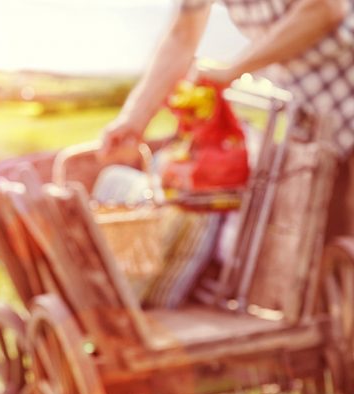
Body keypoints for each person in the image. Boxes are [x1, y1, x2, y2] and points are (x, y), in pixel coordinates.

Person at [102, 0, 353, 234]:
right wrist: (133, 119)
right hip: (312, 117)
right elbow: (182, 36)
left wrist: (235, 69)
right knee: (315, 233)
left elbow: (324, 8)